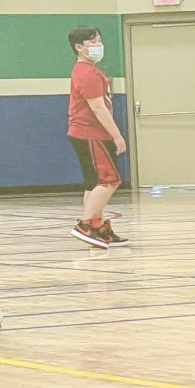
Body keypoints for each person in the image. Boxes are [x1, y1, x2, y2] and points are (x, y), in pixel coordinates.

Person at [66, 26, 128, 248]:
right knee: (110, 179)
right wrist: (117, 136)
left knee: (93, 184)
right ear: (79, 48)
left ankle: (99, 227)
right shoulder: (89, 73)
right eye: (93, 42)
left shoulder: (83, 70)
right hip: (91, 133)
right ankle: (86, 225)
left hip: (82, 133)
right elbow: (98, 108)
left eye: (99, 40)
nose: (99, 45)